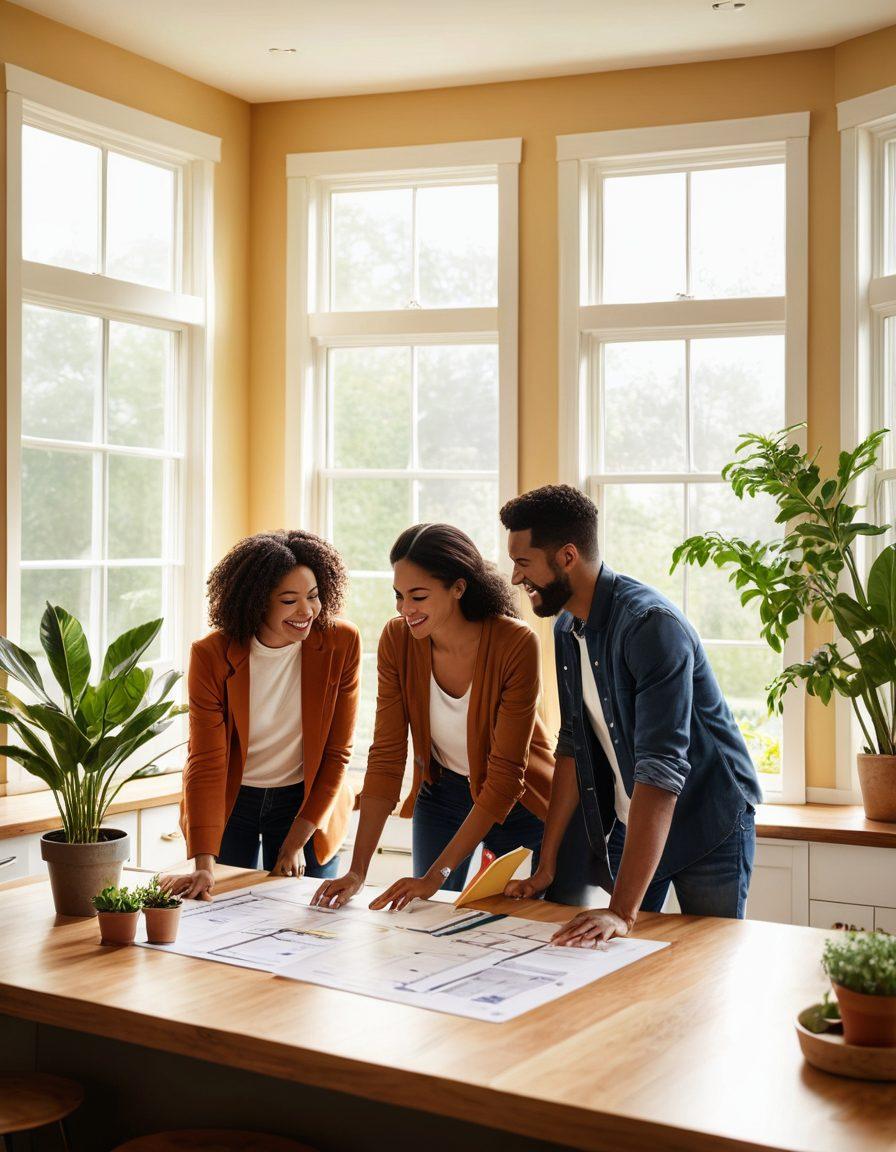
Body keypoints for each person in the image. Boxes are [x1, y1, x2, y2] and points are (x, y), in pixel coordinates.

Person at [499, 485, 762, 944]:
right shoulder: (566, 628)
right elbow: (573, 744)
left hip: (707, 820)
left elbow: (661, 767)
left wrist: (621, 910)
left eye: (523, 562)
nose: (516, 577)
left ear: (567, 556)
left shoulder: (650, 626)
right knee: (614, 955)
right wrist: (547, 866)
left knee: (712, 958)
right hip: (634, 820)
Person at [312, 523, 554, 912]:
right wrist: (357, 872)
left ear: (458, 588)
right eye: (399, 596)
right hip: (442, 792)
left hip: (519, 801)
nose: (405, 608)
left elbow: (506, 776)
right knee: (425, 916)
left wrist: (434, 876)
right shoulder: (397, 640)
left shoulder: (515, 642)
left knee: (507, 923)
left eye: (418, 596)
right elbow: (387, 756)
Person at [163, 530, 360, 901]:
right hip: (232, 800)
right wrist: (203, 863)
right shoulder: (211, 655)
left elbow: (337, 753)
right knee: (222, 908)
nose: (307, 611)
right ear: (256, 602)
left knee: (308, 914)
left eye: (313, 596)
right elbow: (206, 760)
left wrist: (295, 842)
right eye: (289, 600)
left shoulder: (341, 643)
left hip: (305, 802)